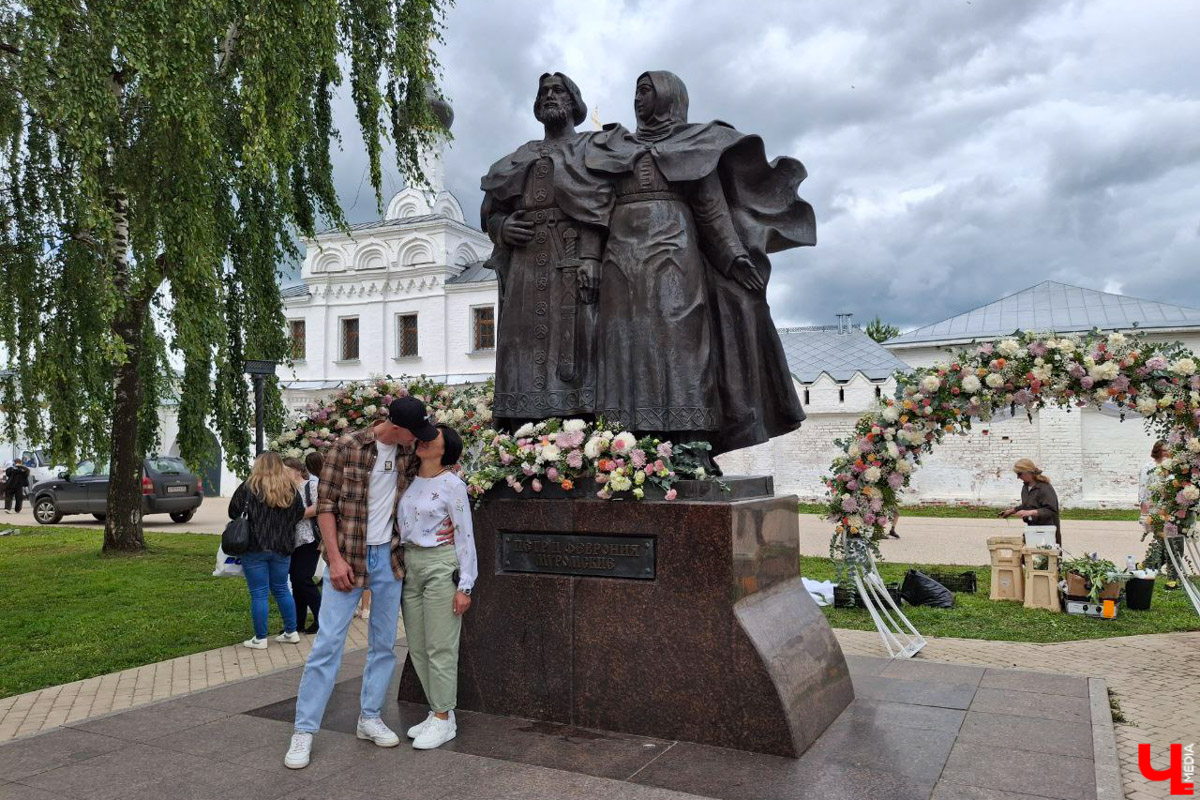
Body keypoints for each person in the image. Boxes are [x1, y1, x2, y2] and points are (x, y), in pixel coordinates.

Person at [584, 71, 812, 466]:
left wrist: (734, 256)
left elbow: (710, 208)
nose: (638, 99)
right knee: (623, 343)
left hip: (674, 252)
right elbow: (593, 210)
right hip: (621, 259)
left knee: (683, 342)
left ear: (670, 97)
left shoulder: (694, 144)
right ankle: (628, 446)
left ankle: (690, 445)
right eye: (636, 91)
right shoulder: (614, 146)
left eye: (646, 91)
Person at [285, 397, 453, 770]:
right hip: (349, 557)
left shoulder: (408, 454)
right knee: (327, 645)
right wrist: (335, 559)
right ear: (398, 427)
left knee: (382, 645)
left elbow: (436, 481)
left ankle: (369, 716)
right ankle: (303, 730)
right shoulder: (347, 448)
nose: (420, 441)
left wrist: (451, 520)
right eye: (416, 434)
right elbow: (326, 507)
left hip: (389, 559)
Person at [481, 72, 612, 431]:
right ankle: (522, 430)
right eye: (544, 92)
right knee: (519, 340)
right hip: (525, 262)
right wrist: (503, 228)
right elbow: (492, 211)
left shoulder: (591, 147)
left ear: (574, 102)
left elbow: (600, 205)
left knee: (580, 340)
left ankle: (581, 431)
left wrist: (591, 256)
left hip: (571, 257)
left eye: (559, 91)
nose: (550, 96)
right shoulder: (521, 155)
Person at [399, 424, 478, 750]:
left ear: (445, 449)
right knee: (417, 647)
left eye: (432, 439)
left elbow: (465, 534)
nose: (423, 440)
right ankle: (437, 711)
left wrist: (466, 585)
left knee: (440, 647)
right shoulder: (408, 479)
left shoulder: (452, 485)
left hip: (440, 565)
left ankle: (444, 718)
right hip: (410, 566)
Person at [228, 452, 312, 649]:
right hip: (282, 546)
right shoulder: (290, 488)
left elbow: (233, 511)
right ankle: (291, 632)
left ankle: (260, 638)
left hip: (255, 546)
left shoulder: (249, 486)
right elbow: (299, 513)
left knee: (259, 593)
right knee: (282, 588)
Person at [283, 457, 322, 635]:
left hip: (309, 538)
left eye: (286, 470)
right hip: (292, 541)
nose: (284, 474)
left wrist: (298, 514)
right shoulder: (286, 490)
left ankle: (321, 618)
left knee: (303, 579)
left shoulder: (310, 486)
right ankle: (298, 623)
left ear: (297, 470)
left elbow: (320, 507)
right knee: (296, 582)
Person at [999, 458, 1062, 546]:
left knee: (1043, 557)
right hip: (1032, 529)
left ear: (1028, 472)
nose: (1018, 477)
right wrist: (1012, 511)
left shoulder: (1044, 488)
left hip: (1047, 531)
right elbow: (1028, 504)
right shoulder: (1025, 487)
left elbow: (1051, 510)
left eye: (1019, 474)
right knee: (1027, 556)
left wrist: (1031, 512)